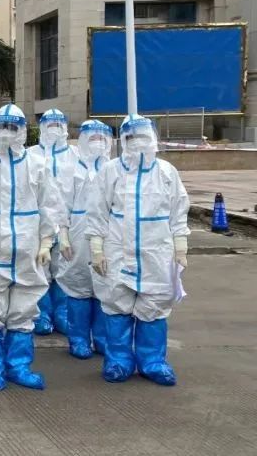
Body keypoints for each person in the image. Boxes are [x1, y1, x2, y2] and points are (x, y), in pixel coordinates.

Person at [0, 104, 66, 391]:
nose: (6, 133)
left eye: (12, 127)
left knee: (23, 310)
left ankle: (19, 366)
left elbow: (49, 206)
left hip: (27, 251)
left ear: (22, 131)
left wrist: (46, 242)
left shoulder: (37, 165)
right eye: (1, 127)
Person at [85, 115, 189, 386]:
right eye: (132, 137)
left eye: (144, 136)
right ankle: (118, 361)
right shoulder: (110, 171)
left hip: (156, 252)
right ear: (123, 140)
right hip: (117, 252)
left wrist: (180, 246)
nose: (139, 142)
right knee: (116, 305)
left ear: (153, 138)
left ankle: (152, 362)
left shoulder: (166, 172)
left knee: (154, 306)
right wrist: (97, 249)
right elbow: (97, 211)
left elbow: (178, 211)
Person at [55, 120, 113, 359]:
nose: (97, 142)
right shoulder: (71, 169)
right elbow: (61, 205)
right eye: (93, 138)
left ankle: (102, 339)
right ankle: (78, 339)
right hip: (78, 233)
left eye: (102, 138)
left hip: (108, 233)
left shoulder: (113, 168)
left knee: (104, 286)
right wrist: (63, 235)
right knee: (78, 285)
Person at [30, 108, 79, 336]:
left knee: (65, 269)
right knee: (38, 268)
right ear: (41, 128)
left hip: (69, 223)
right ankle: (41, 314)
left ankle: (63, 313)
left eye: (58, 125)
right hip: (37, 224)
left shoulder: (76, 155)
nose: (54, 130)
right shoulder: (30, 155)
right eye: (49, 125)